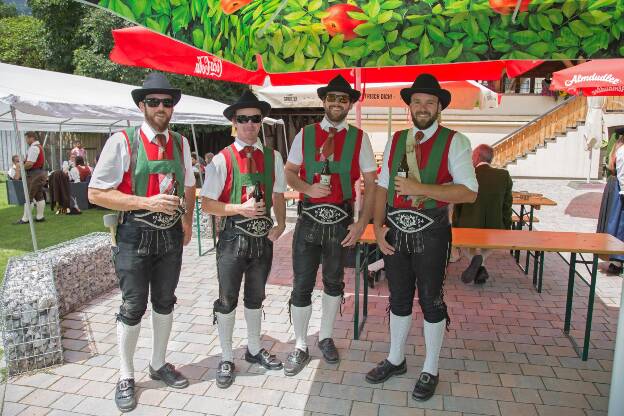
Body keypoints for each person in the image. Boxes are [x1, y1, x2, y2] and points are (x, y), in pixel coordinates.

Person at [367, 74, 478, 401]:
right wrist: (377, 226)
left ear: (440, 107)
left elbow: (469, 192)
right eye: (417, 102)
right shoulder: (396, 139)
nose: (423, 107)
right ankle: (396, 359)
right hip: (395, 229)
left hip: (432, 231)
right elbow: (383, 186)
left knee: (431, 299)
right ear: (410, 106)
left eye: (430, 102)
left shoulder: (455, 141)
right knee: (398, 297)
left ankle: (430, 367)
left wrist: (421, 189)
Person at [88, 72, 194, 412]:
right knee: (134, 306)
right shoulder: (122, 141)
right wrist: (145, 202)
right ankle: (126, 374)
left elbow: (189, 183)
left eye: (167, 102)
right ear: (141, 105)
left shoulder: (180, 142)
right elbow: (96, 193)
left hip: (170, 236)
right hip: (134, 234)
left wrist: (188, 221)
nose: (161, 107)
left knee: (165, 301)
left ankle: (159, 363)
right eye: (154, 102)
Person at [283, 75, 377, 376]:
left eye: (343, 99)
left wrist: (362, 223)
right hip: (308, 218)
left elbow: (372, 185)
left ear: (349, 104)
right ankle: (299, 344)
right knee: (301, 284)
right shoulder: (305, 134)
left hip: (341, 220)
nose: (337, 103)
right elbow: (289, 173)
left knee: (335, 283)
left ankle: (325, 337)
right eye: (332, 98)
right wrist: (307, 189)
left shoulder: (360, 138)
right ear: (324, 101)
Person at [200, 90, 287, 388]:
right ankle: (226, 356)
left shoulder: (273, 157)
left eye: (255, 118)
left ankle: (252, 348)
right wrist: (240, 208)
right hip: (232, 238)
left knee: (256, 297)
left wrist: (283, 222)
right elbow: (207, 204)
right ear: (234, 123)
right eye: (243, 119)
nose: (250, 124)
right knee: (227, 300)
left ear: (261, 121)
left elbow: (278, 194)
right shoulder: (222, 160)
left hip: (262, 239)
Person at [453, 144, 513, 284]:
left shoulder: (467, 175)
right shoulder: (504, 176)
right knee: (486, 245)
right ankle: (481, 266)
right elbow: (507, 205)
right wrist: (506, 226)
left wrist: (455, 225)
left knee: (466, 244)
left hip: (468, 226)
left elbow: (458, 204)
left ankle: (478, 262)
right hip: (494, 227)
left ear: (477, 156)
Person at [597, 126, 624, 274]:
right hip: (619, 187)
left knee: (616, 222)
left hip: (614, 185)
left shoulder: (617, 146)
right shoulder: (622, 150)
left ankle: (616, 259)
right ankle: (617, 259)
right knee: (618, 223)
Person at [15, 132, 47, 224]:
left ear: (31, 138)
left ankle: (25, 219)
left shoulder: (34, 148)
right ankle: (40, 217)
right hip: (39, 173)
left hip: (34, 174)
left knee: (29, 196)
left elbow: (30, 164)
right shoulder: (39, 147)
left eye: (26, 139)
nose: (26, 141)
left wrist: (20, 166)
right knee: (39, 196)